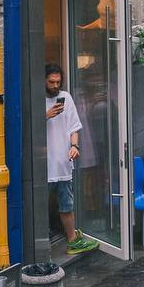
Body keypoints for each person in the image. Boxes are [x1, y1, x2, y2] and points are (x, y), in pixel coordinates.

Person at [45, 63, 99, 254]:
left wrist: (75, 146)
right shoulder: (38, 100)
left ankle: (72, 240)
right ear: (44, 80)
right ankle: (41, 245)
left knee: (67, 204)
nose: (55, 85)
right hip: (44, 165)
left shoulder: (65, 97)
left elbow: (74, 128)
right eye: (51, 82)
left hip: (63, 164)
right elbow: (29, 127)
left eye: (58, 82)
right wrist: (46, 115)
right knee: (40, 205)